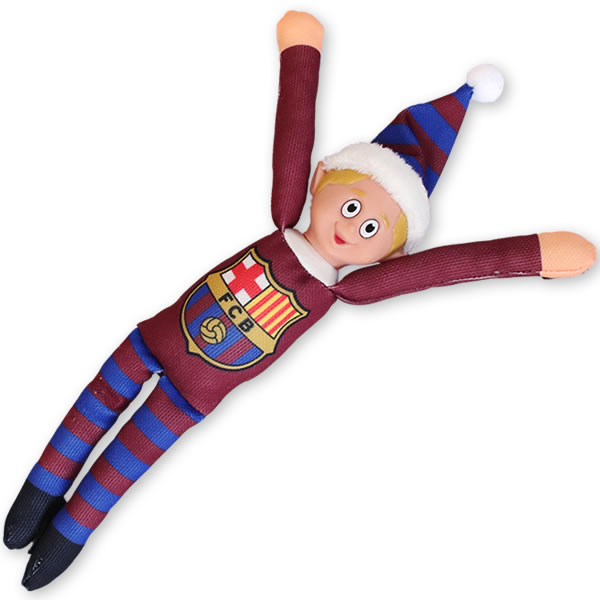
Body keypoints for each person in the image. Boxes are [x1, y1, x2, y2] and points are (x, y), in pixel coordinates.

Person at [4, 10, 595, 591]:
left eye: (372, 230)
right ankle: (36, 498)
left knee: (126, 463)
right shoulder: (286, 216)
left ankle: (68, 535)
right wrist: (300, 55)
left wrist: (534, 256)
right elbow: (293, 128)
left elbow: (446, 269)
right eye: (352, 206)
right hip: (148, 343)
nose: (351, 226)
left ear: (389, 255)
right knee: (93, 406)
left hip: (192, 396)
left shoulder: (353, 286)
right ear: (318, 183)